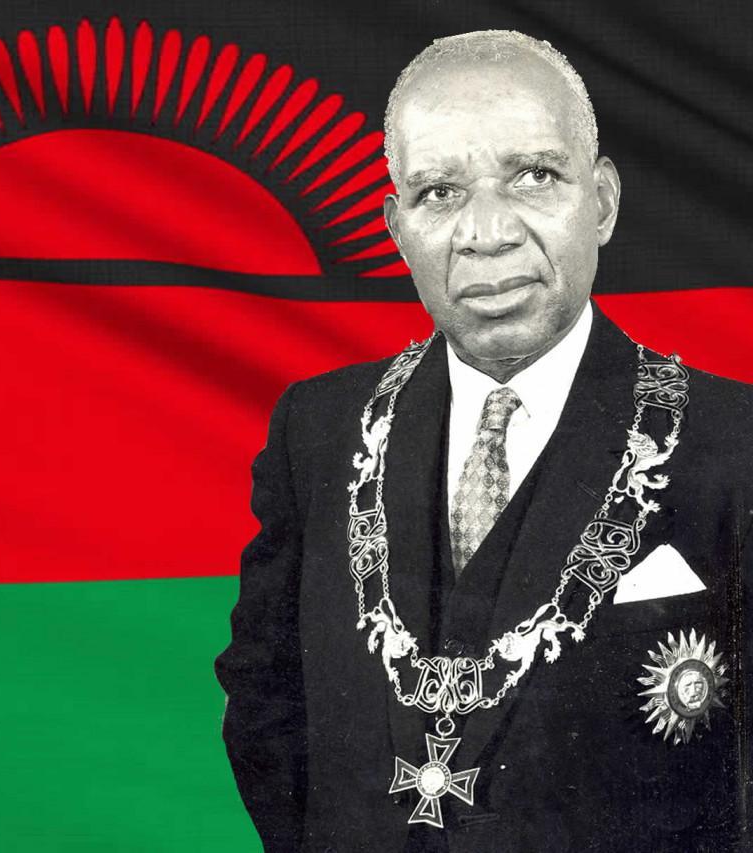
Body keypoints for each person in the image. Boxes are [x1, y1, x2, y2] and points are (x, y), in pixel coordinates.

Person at [215, 29, 753, 853]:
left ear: (602, 202)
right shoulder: (317, 432)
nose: (487, 231)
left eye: (534, 176)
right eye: (440, 192)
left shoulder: (737, 445)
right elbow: (264, 713)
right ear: (397, 227)